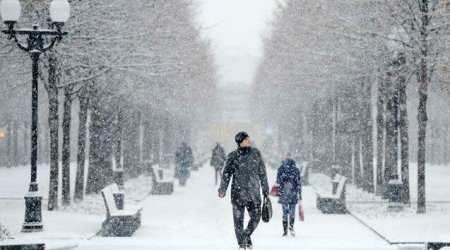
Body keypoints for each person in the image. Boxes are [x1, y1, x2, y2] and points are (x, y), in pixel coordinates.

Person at [218, 131, 270, 250]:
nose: (250, 140)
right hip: (238, 194)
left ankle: (245, 236)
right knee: (238, 222)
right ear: (240, 142)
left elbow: (262, 172)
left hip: (254, 194)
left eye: (249, 138)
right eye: (247, 139)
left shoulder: (256, 154)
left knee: (256, 218)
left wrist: (265, 188)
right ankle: (242, 244)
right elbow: (226, 174)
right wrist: (222, 189)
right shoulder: (233, 156)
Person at [276, 152, 302, 237]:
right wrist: (299, 192)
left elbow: (278, 180)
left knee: (287, 212)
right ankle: (289, 228)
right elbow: (298, 182)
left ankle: (287, 229)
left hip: (285, 192)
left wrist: (284, 179)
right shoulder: (295, 169)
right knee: (290, 212)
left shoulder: (281, 168)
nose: (288, 157)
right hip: (291, 192)